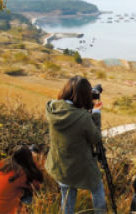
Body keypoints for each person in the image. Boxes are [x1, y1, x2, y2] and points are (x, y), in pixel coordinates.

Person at [45, 76, 107, 214]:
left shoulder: (52, 107)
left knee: (67, 197)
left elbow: (70, 112)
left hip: (60, 166)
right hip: (81, 167)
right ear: (84, 95)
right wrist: (96, 113)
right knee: (97, 189)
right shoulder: (82, 117)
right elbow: (95, 138)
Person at [0, 145, 44, 214]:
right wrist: (36, 163)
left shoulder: (0, 165)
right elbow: (38, 185)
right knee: (29, 194)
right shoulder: (19, 173)